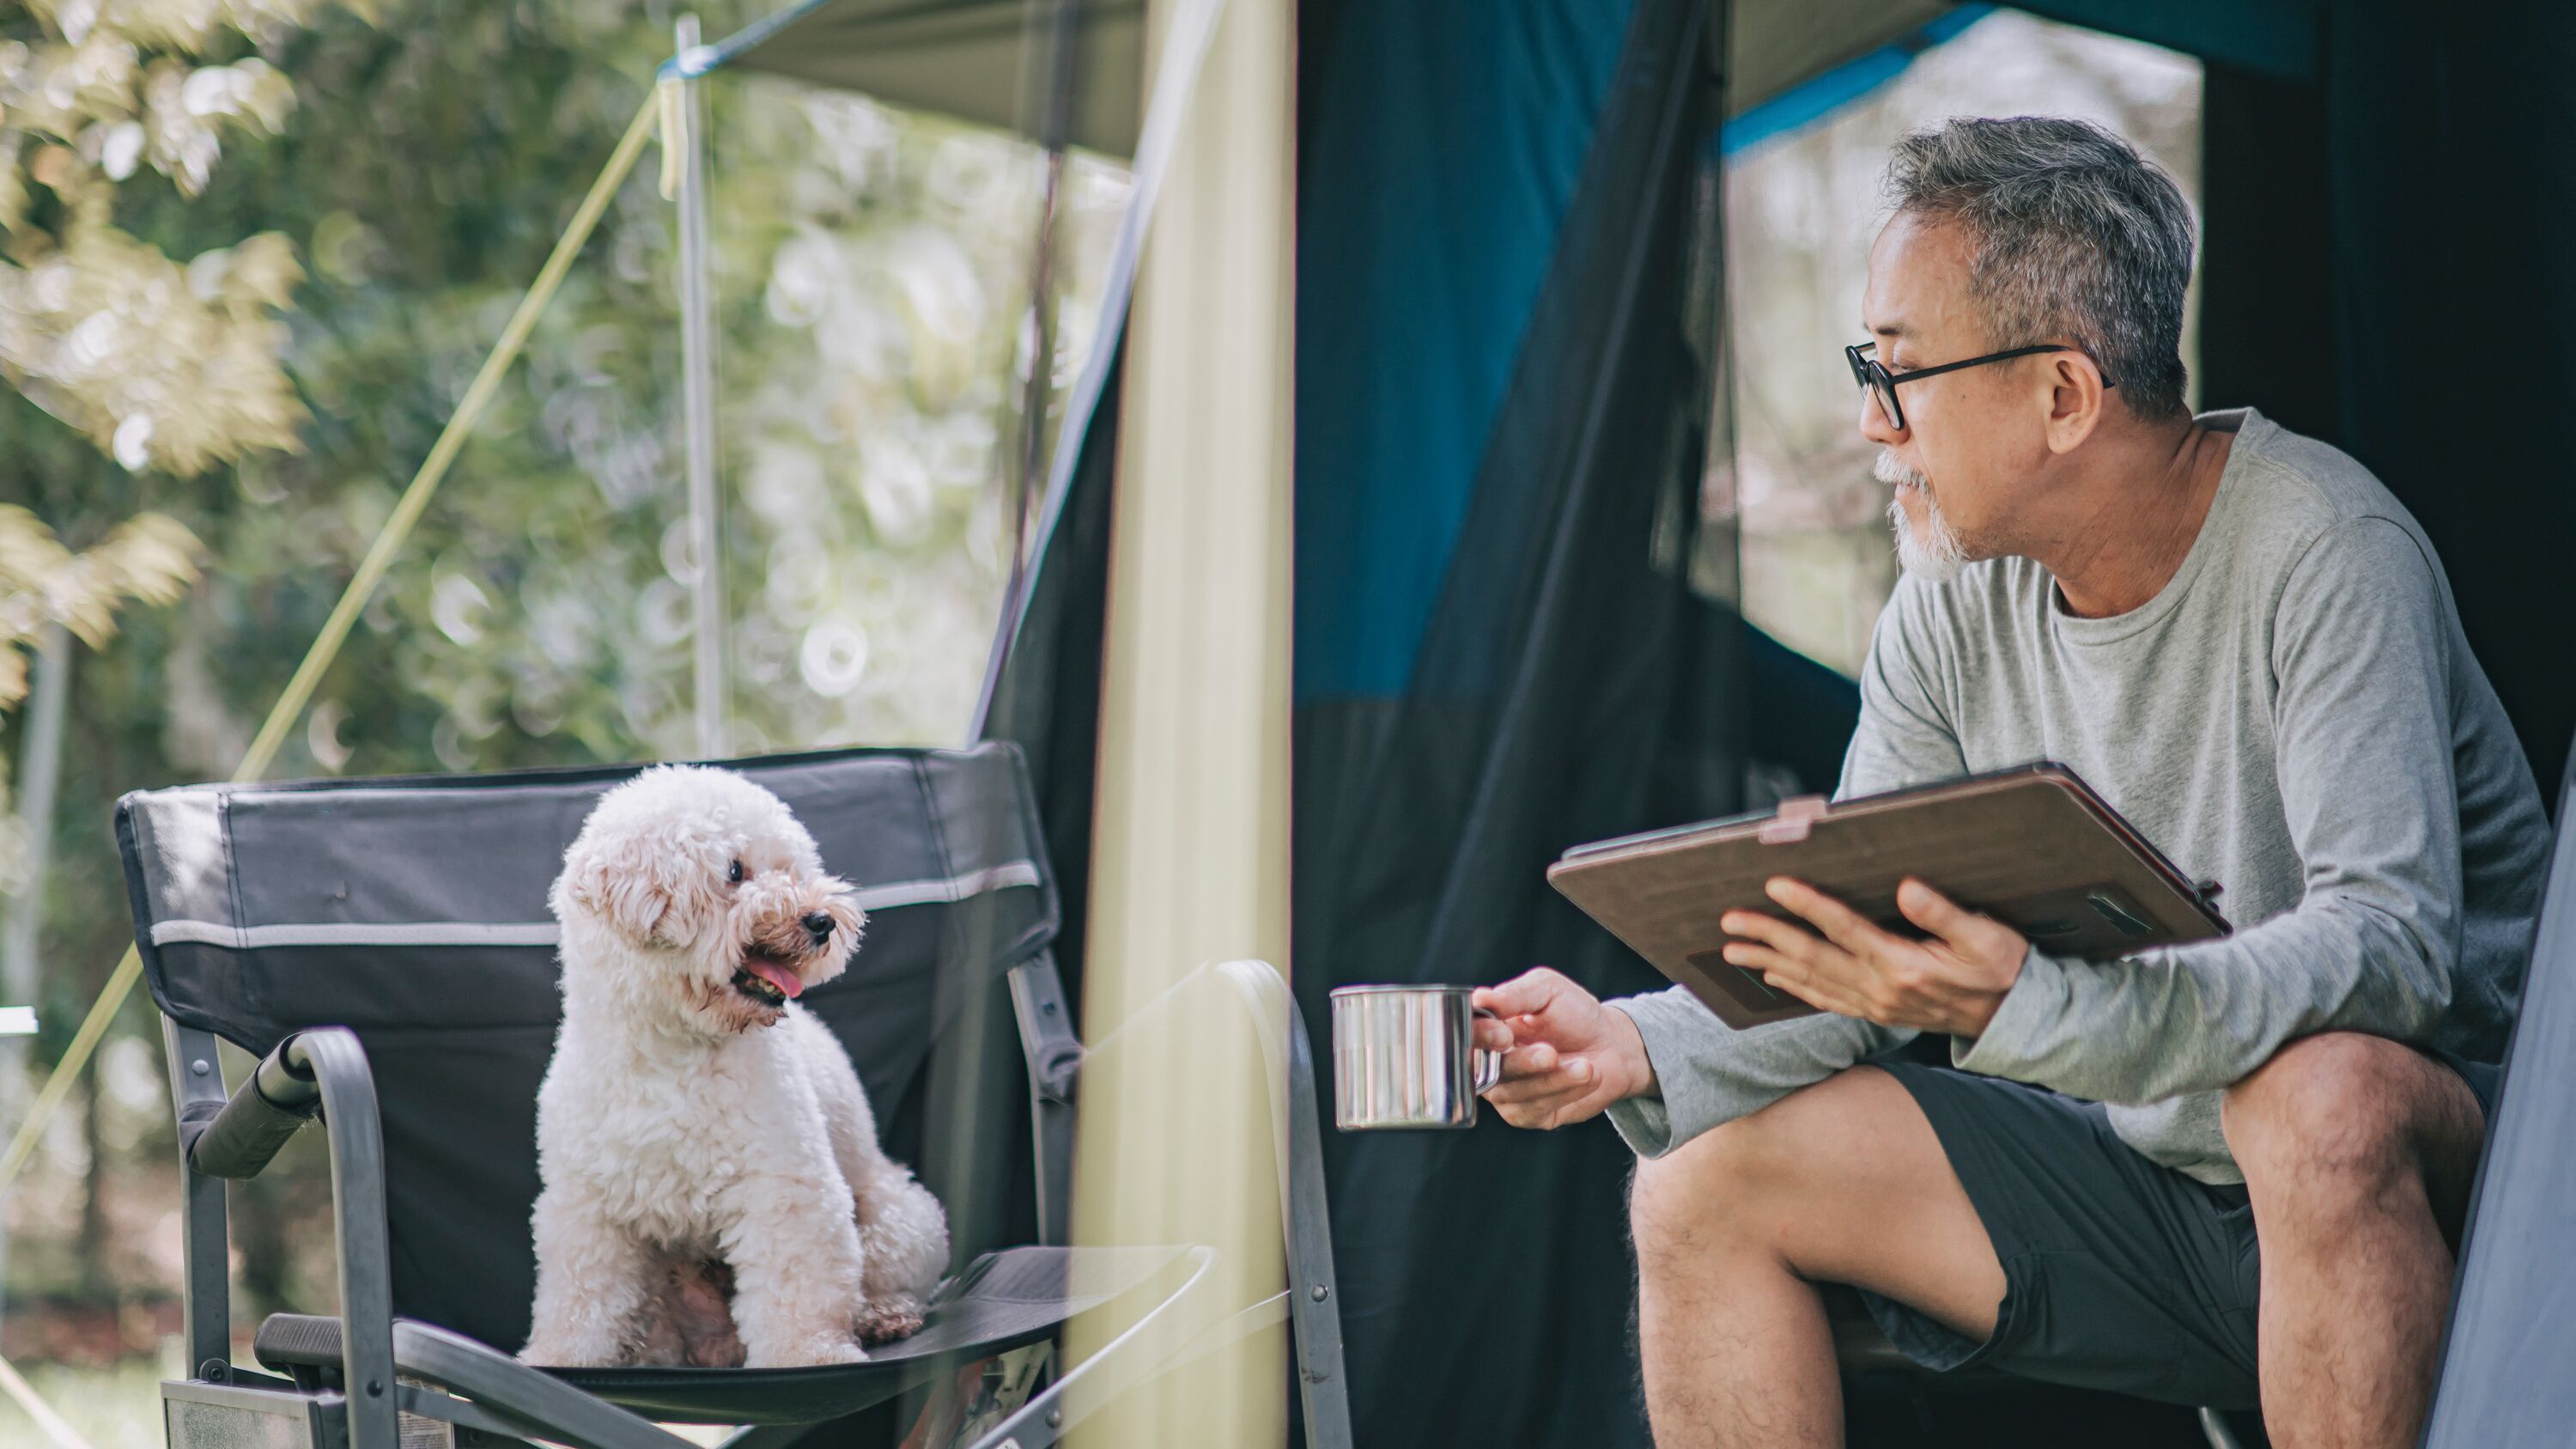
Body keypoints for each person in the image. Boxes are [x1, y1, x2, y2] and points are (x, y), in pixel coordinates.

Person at [1474, 115, 2549, 1449]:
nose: (1871, 421)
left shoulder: (2329, 549)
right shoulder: (1945, 608)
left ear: (2062, 397)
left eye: (1900, 369)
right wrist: (1634, 1042)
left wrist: (2029, 1007)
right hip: (2151, 1182)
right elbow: (1858, 949)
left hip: (2448, 1202)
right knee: (1698, 1181)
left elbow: (2390, 954)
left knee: (2312, 1099)